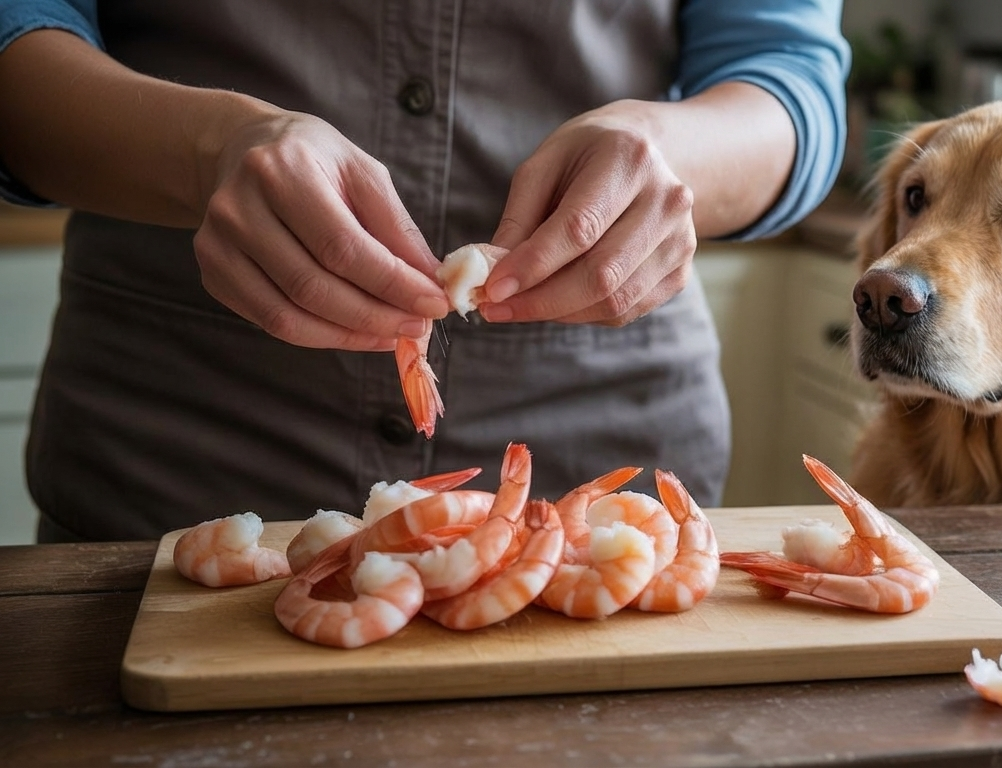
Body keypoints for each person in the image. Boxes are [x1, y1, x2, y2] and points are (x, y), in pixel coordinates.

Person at [0, 0, 850, 542]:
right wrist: (206, 152)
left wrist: (669, 157)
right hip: (173, 461)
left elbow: (789, 77)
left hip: (597, 460)